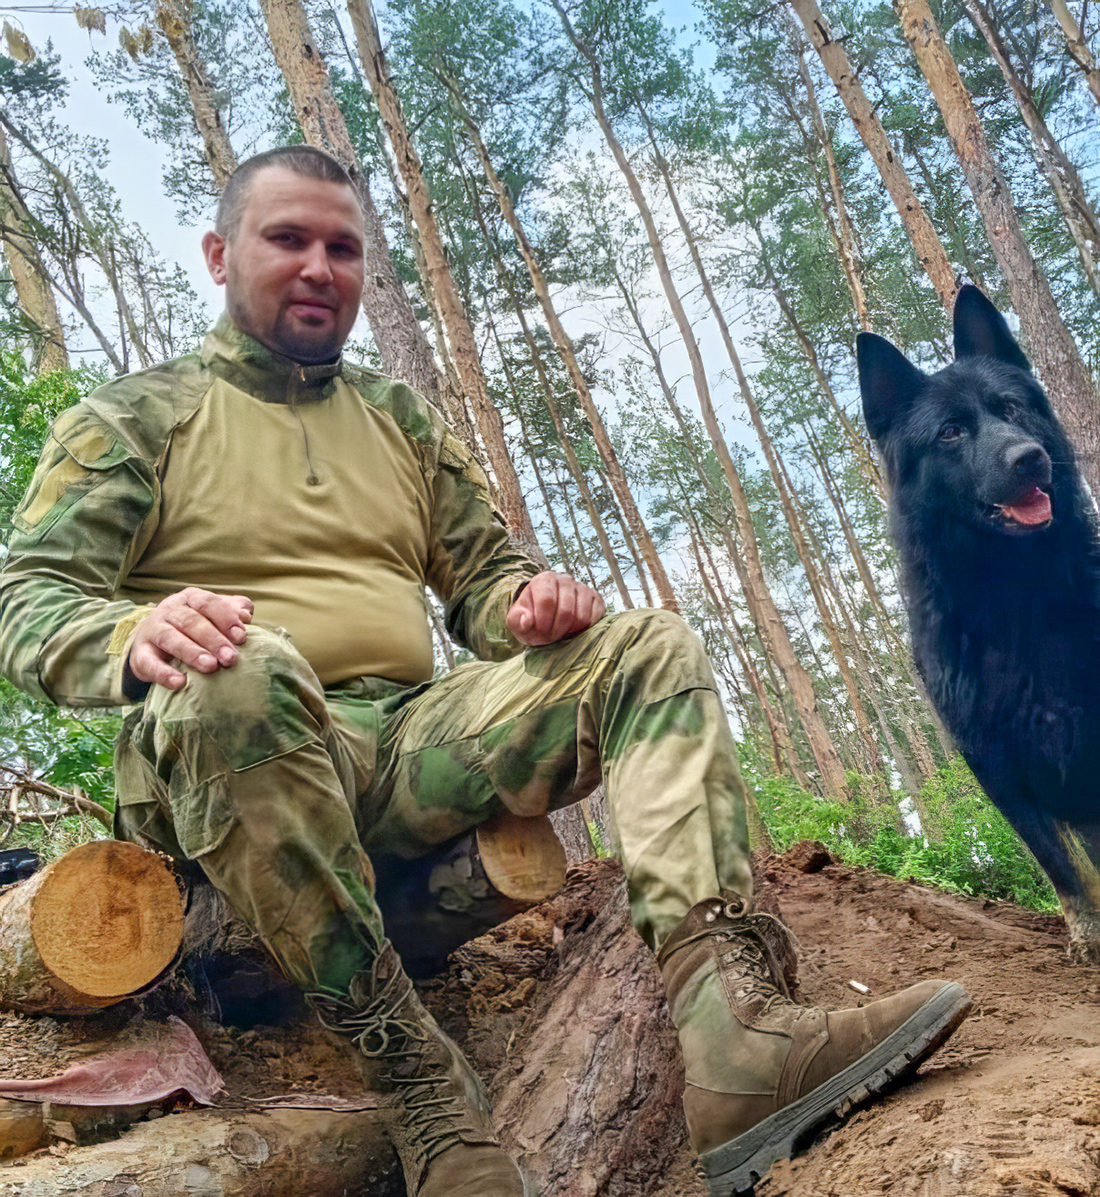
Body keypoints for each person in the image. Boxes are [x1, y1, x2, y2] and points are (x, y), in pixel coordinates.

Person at [0, 145, 971, 1197]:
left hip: (400, 738)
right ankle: (424, 1093)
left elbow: (483, 585)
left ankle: (738, 1039)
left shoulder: (399, 421)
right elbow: (27, 603)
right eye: (288, 239)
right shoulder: (133, 418)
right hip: (226, 768)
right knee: (245, 670)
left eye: (344, 248)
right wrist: (130, 634)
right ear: (218, 252)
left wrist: (526, 606)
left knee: (645, 647)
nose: (320, 267)